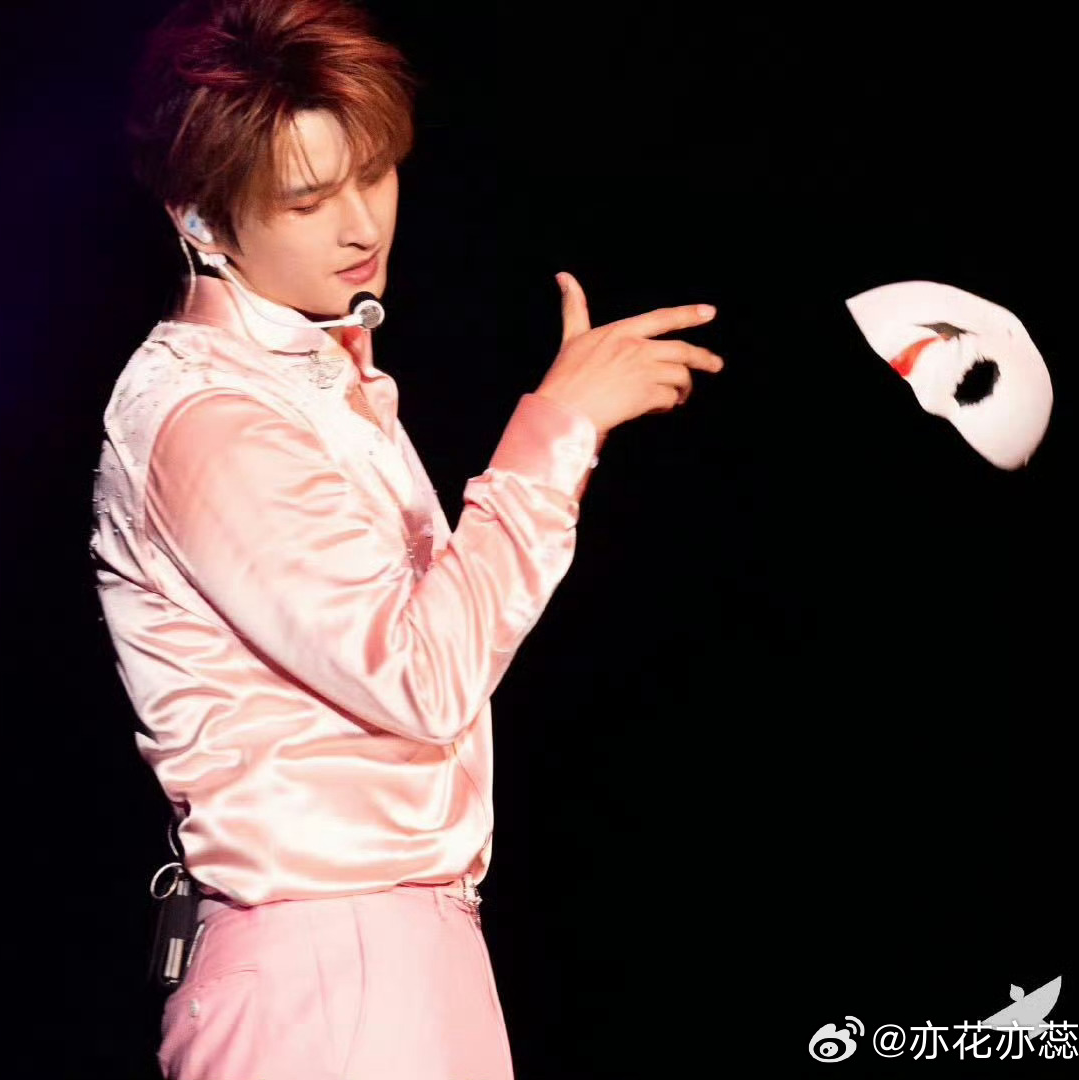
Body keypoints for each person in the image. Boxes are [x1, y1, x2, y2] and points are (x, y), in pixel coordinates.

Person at [91, 1, 722, 1075]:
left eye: (373, 175)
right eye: (307, 200)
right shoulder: (210, 419)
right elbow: (421, 677)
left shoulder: (308, 380)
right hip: (329, 966)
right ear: (199, 217)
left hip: (393, 951)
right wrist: (554, 432)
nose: (361, 227)